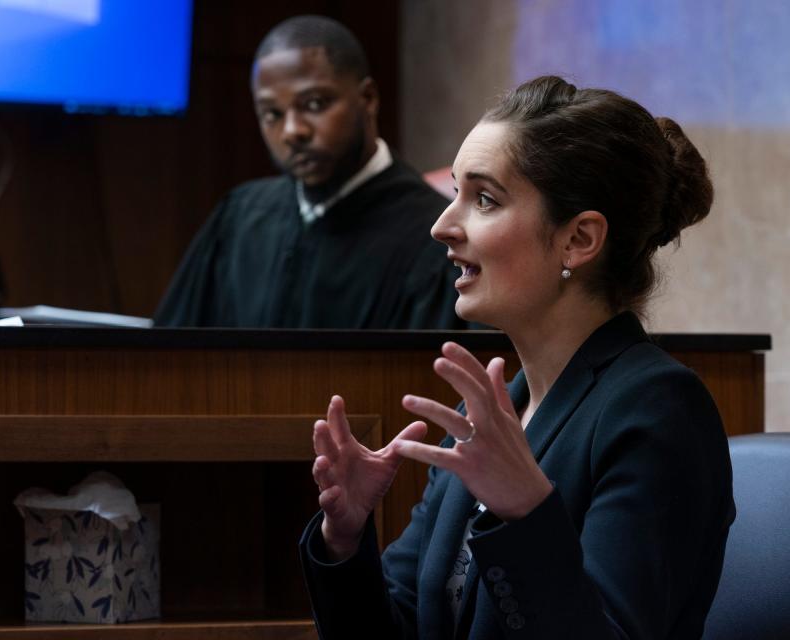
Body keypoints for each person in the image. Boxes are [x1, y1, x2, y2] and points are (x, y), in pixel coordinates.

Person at [299, 76, 735, 639]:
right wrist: (345, 538)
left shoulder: (658, 409)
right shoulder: (490, 413)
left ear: (578, 239)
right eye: (454, 192)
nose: (441, 226)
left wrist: (526, 512)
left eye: (483, 199)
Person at [154, 16, 461, 329]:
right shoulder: (239, 218)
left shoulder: (436, 238)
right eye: (272, 113)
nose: (292, 131)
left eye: (314, 104)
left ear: (367, 99)